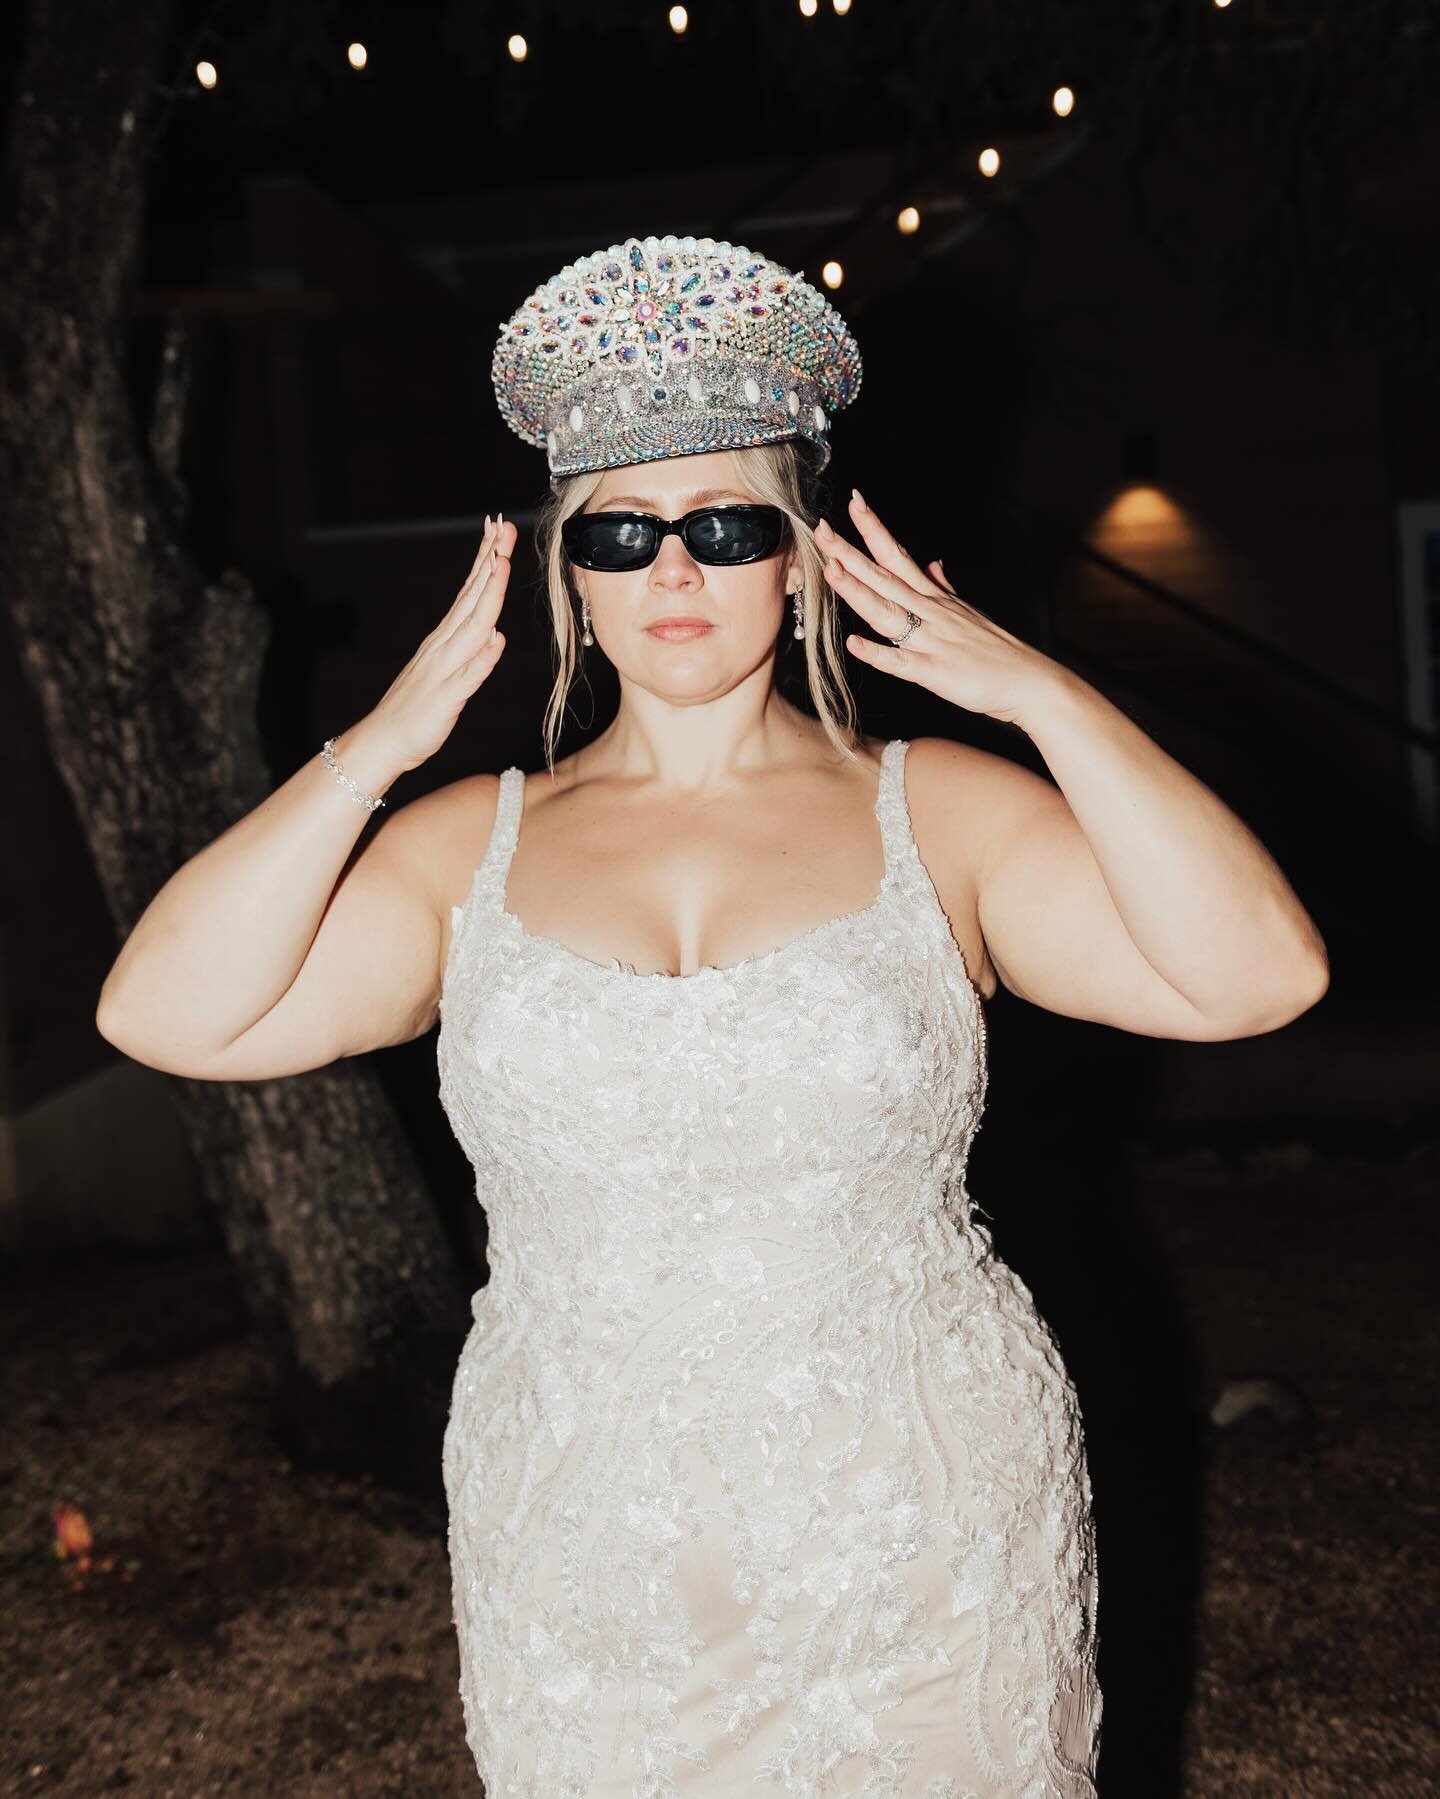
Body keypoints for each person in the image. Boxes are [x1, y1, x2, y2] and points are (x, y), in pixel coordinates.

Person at [96, 232, 1329, 1795]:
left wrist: (1043, 696)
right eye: (620, 534)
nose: (672, 572)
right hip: (586, 1543)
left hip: (923, 1525)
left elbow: (1259, 974)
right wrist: (380, 745)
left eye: (727, 523)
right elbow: (165, 1012)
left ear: (804, 554)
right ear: (566, 567)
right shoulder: (462, 845)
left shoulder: (936, 813)